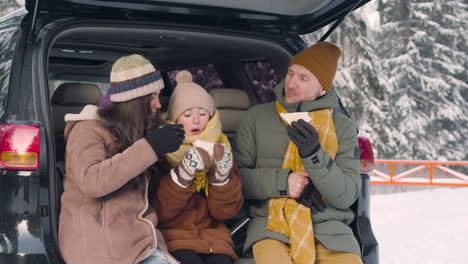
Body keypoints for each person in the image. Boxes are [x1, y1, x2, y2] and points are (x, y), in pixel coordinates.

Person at [233, 42, 363, 264]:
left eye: (304, 78)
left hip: (330, 230)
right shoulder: (256, 118)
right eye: (291, 73)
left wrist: (313, 154)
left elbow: (347, 195)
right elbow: (234, 180)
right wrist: (284, 182)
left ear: (323, 88)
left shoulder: (343, 127)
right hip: (271, 227)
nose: (291, 83)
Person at [59, 54, 184, 264]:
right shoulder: (87, 129)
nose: (158, 105)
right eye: (153, 97)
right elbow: (92, 182)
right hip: (100, 243)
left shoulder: (137, 133)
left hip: (141, 239)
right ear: (136, 101)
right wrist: (151, 147)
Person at [150, 71, 244, 264]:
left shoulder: (222, 149)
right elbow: (159, 212)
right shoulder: (162, 150)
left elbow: (225, 213)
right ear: (175, 119)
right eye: (187, 114)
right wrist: (182, 176)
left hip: (215, 237)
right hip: (174, 236)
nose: (196, 120)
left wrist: (221, 178)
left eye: (202, 114)